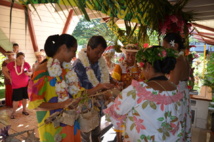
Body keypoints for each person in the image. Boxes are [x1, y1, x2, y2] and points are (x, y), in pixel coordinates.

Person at [104, 46, 184, 142]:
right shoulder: (175, 89)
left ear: (149, 66)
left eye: (142, 66)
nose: (141, 70)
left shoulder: (138, 90)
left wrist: (109, 98)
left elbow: (116, 112)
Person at [72, 36, 115, 142]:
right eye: (97, 52)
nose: (99, 55)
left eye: (102, 52)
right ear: (89, 48)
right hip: (83, 109)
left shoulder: (100, 61)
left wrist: (115, 82)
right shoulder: (78, 65)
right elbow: (76, 92)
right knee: (85, 137)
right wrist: (99, 87)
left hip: (97, 106)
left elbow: (107, 76)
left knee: (97, 133)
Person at [163, 33, 191, 141]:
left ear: (175, 46)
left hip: (177, 96)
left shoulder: (177, 61)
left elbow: (172, 85)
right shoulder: (183, 58)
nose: (164, 51)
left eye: (165, 47)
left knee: (175, 124)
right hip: (182, 95)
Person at [3, 52, 31, 119]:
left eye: (23, 58)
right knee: (16, 99)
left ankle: (24, 110)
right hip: (16, 85)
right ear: (17, 58)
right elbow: (4, 70)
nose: (21, 59)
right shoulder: (11, 64)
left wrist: (28, 74)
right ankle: (14, 112)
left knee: (25, 98)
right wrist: (9, 77)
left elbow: (31, 71)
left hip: (25, 84)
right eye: (20, 58)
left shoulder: (26, 64)